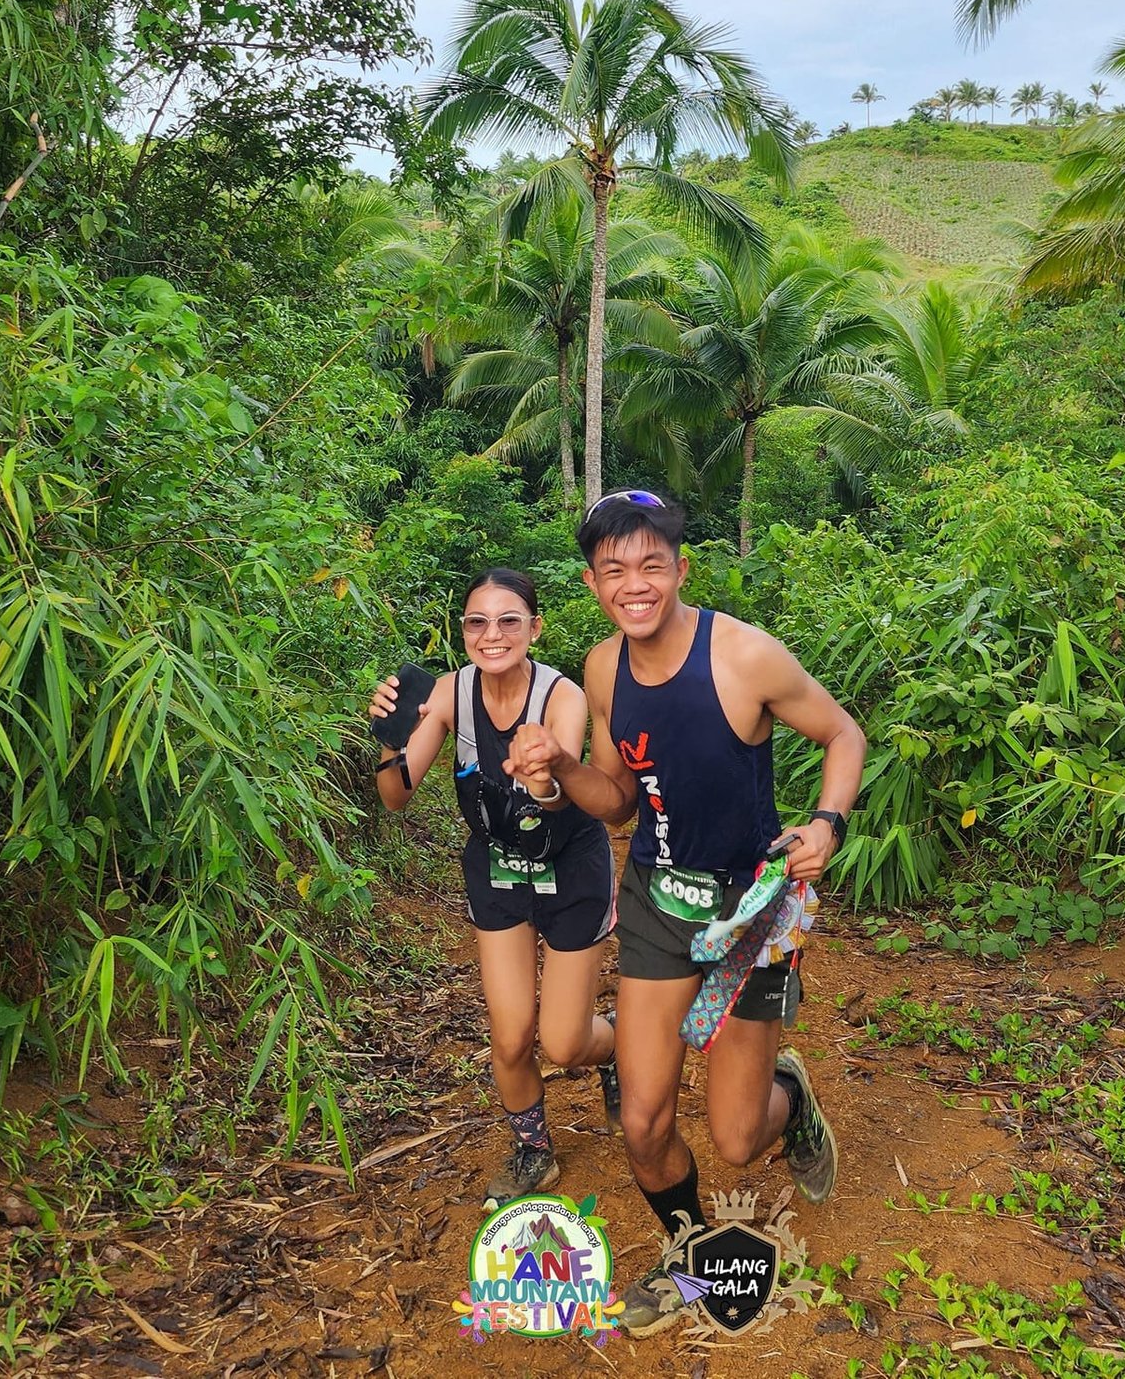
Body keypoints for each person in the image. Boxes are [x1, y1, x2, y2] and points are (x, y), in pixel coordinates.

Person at [508, 492, 866, 1335]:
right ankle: (690, 1249)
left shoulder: (744, 655)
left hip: (749, 915)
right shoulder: (604, 669)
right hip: (659, 905)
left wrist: (827, 822)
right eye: (614, 570)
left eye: (651, 565)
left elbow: (843, 734)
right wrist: (558, 772)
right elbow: (619, 800)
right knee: (643, 1120)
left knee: (738, 1139)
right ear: (593, 582)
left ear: (680, 569)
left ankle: (789, 1093)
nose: (634, 584)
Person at [370, 567, 620, 1210]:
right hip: (499, 868)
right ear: (463, 632)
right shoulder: (449, 694)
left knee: (564, 1043)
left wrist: (542, 773)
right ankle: (535, 1150)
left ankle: (613, 1045)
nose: (492, 634)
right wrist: (390, 739)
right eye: (477, 622)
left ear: (534, 628)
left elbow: (558, 800)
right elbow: (397, 795)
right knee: (510, 1037)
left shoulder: (561, 697)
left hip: (570, 868)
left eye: (509, 620)